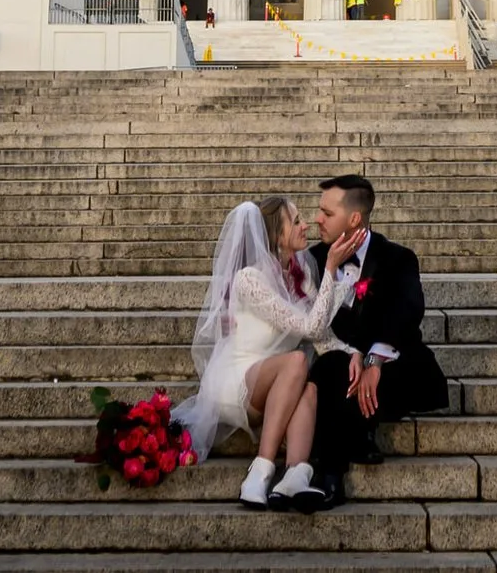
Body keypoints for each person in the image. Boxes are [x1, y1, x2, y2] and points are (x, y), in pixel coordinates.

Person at [172, 198, 361, 511]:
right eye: (296, 221)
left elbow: (323, 338)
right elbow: (310, 327)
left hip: (280, 382)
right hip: (238, 381)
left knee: (310, 387)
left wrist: (354, 354)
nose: (306, 226)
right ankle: (259, 472)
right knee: (298, 361)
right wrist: (330, 267)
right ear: (276, 234)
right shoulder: (250, 279)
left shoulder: (299, 277)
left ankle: (295, 477)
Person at [298, 173, 450, 510]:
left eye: (327, 213)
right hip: (340, 365)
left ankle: (355, 434)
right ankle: (331, 477)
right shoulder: (313, 260)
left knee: (347, 375)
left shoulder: (398, 257)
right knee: (331, 368)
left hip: (393, 368)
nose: (317, 219)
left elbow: (407, 311)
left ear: (354, 219)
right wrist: (353, 356)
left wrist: (374, 360)